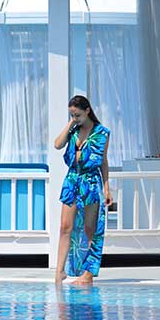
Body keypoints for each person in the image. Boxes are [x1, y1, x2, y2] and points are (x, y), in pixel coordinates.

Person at [52, 95, 111, 285]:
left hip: (91, 183)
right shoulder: (73, 130)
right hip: (72, 181)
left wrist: (107, 188)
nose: (74, 118)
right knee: (64, 227)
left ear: (87, 111)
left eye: (77, 115)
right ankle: (59, 271)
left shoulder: (102, 133)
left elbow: (103, 162)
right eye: (71, 115)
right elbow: (57, 144)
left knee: (90, 229)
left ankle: (89, 273)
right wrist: (70, 125)